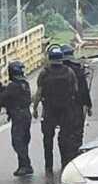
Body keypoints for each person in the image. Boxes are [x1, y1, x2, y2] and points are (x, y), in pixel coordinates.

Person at [33, 45, 79, 174]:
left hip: (49, 110)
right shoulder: (69, 72)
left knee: (48, 138)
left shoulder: (44, 73)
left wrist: (35, 108)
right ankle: (65, 162)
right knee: (65, 137)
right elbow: (75, 90)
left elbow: (39, 92)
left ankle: (49, 166)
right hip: (66, 109)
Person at [0, 62, 33, 177]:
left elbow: (3, 99)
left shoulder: (13, 86)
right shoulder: (24, 84)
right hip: (25, 114)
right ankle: (23, 165)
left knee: (18, 142)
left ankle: (25, 165)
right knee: (24, 141)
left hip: (18, 116)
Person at [61, 45, 92, 148]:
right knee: (77, 131)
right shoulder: (78, 69)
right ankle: (76, 152)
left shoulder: (55, 70)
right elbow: (84, 89)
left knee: (64, 132)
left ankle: (65, 157)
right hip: (77, 105)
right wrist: (88, 105)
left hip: (62, 106)